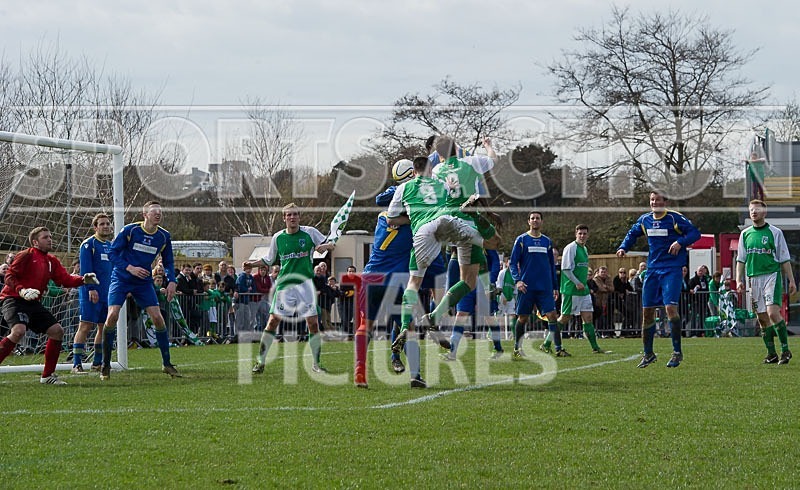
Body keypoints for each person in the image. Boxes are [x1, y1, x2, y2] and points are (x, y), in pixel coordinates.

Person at [387, 156, 496, 388]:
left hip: (422, 233)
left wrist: (411, 216)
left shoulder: (403, 188)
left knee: (413, 284)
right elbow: (453, 203)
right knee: (480, 259)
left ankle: (408, 326)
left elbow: (391, 218)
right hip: (448, 223)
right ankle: (434, 320)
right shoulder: (442, 182)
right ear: (430, 169)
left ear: (411, 171)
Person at [0, 227, 100, 384]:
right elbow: (9, 276)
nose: (50, 239)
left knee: (57, 331)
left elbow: (65, 280)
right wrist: (22, 290)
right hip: (14, 299)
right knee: (19, 330)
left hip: (33, 302)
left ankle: (47, 376)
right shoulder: (26, 255)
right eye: (45, 237)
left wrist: (82, 279)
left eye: (50, 236)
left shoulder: (51, 261)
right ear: (35, 242)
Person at [246, 203, 336, 375]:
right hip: (285, 285)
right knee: (272, 322)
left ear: (299, 217)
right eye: (289, 215)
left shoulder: (310, 232)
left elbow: (331, 244)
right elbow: (269, 259)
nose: (292, 217)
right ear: (284, 218)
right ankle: (260, 361)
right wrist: (252, 263)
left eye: (295, 214)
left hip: (305, 285)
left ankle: (316, 363)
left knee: (313, 324)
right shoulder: (278, 237)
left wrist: (324, 247)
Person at [617, 190, 701, 368]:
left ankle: (677, 352)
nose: (654, 202)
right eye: (652, 200)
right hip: (652, 270)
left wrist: (680, 242)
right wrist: (623, 247)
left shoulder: (674, 218)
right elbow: (632, 234)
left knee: (670, 308)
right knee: (647, 312)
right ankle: (648, 354)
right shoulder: (645, 220)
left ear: (665, 201)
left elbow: (695, 234)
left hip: (672, 269)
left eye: (658, 199)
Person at [100, 201, 181, 380]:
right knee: (112, 315)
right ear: (145, 214)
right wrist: (130, 268)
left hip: (143, 282)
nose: (158, 214)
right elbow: (112, 253)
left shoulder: (163, 236)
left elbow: (168, 262)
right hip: (121, 278)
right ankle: (105, 364)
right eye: (154, 212)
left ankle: (167, 363)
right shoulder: (130, 230)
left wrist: (172, 281)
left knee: (158, 318)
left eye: (160, 212)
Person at [736, 199, 797, 364]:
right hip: (753, 278)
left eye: (756, 210)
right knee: (762, 318)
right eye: (751, 210)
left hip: (771, 275)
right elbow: (741, 259)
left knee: (772, 313)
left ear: (764, 212)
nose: (753, 212)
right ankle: (771, 353)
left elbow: (784, 258)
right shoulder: (745, 234)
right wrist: (738, 280)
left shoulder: (775, 232)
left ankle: (785, 350)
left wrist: (791, 280)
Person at [509, 211, 570, 358]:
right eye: (532, 218)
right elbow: (512, 263)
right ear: (528, 222)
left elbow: (551, 265)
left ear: (541, 222)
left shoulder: (547, 241)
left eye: (538, 218)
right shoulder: (521, 240)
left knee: (553, 316)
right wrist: (518, 280)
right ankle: (517, 348)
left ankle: (558, 348)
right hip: (527, 287)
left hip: (545, 288)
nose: (535, 220)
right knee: (523, 318)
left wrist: (555, 286)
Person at [72, 213, 114, 373]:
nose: (106, 226)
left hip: (107, 293)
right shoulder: (89, 244)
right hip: (91, 292)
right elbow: (86, 270)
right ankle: (76, 364)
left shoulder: (111, 246)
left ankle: (97, 363)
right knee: (86, 325)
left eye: (108, 223)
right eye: (102, 224)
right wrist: (91, 289)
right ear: (95, 227)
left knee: (103, 327)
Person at [557, 224, 608, 354]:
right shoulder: (571, 248)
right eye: (580, 233)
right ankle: (547, 343)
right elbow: (566, 269)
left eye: (584, 233)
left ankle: (595, 347)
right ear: (576, 234)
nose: (582, 236)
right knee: (565, 318)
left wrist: (583, 283)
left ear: (588, 235)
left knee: (588, 317)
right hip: (571, 289)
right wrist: (576, 282)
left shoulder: (584, 249)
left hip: (583, 290)